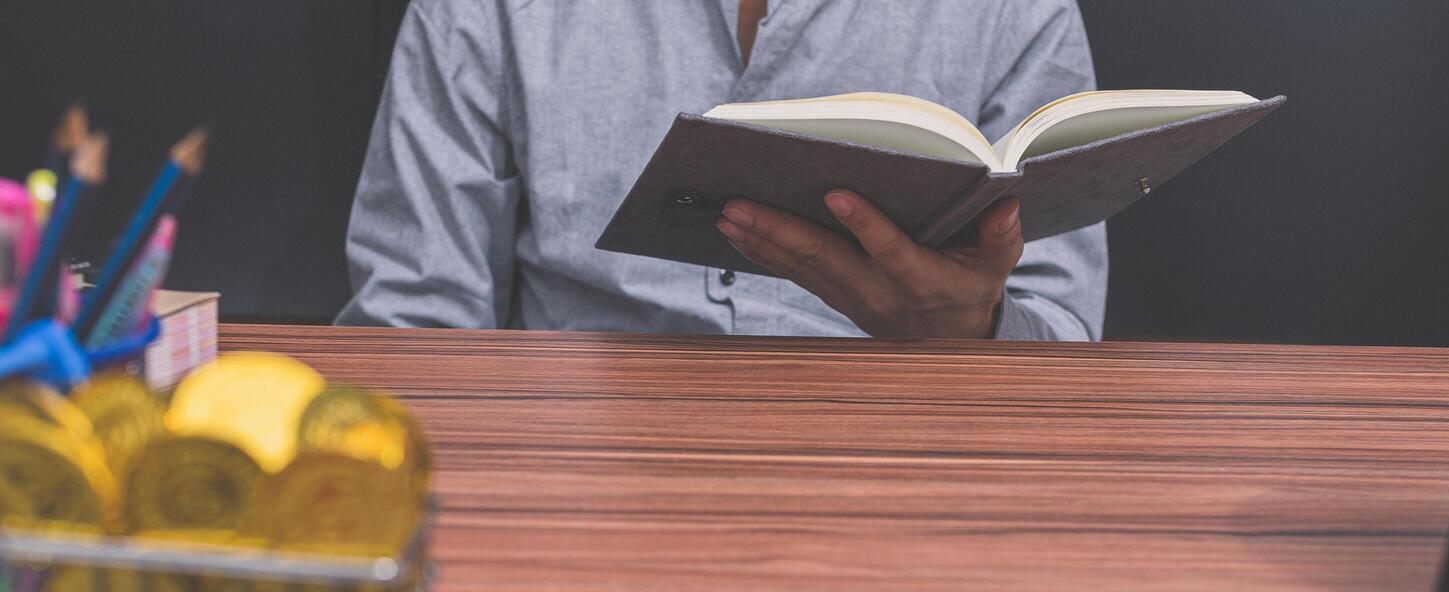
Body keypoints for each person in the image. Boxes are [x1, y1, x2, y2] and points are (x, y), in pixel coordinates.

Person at [339, 0, 1106, 342]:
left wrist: (975, 331)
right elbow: (414, 322)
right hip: (575, 481)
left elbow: (1062, 330)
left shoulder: (1011, 9)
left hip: (907, 475)